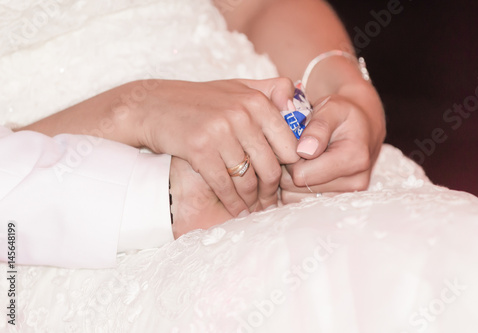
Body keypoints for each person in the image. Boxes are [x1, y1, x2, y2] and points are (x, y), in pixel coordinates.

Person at [0, 0, 385, 267]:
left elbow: (258, 5)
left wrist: (346, 89)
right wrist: (135, 111)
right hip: (82, 220)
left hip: (287, 125)